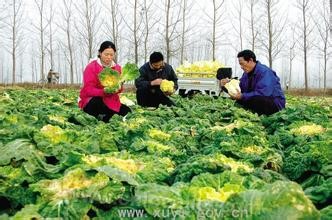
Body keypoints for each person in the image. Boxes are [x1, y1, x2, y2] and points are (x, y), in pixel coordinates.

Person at [78, 41, 131, 122]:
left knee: (127, 111)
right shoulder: (91, 67)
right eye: (106, 54)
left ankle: (105, 117)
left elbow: (119, 90)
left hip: (111, 101)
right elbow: (88, 90)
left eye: (111, 55)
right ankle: (104, 117)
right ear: (100, 53)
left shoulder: (118, 68)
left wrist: (119, 86)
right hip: (94, 100)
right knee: (96, 103)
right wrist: (104, 91)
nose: (109, 57)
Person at [220, 49, 285, 115]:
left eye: (242, 64)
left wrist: (242, 96)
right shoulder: (246, 74)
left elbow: (264, 93)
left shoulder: (265, 72)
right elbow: (240, 89)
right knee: (241, 100)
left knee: (256, 99)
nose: (241, 67)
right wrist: (226, 85)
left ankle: (260, 117)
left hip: (274, 103)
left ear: (250, 60)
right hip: (257, 100)